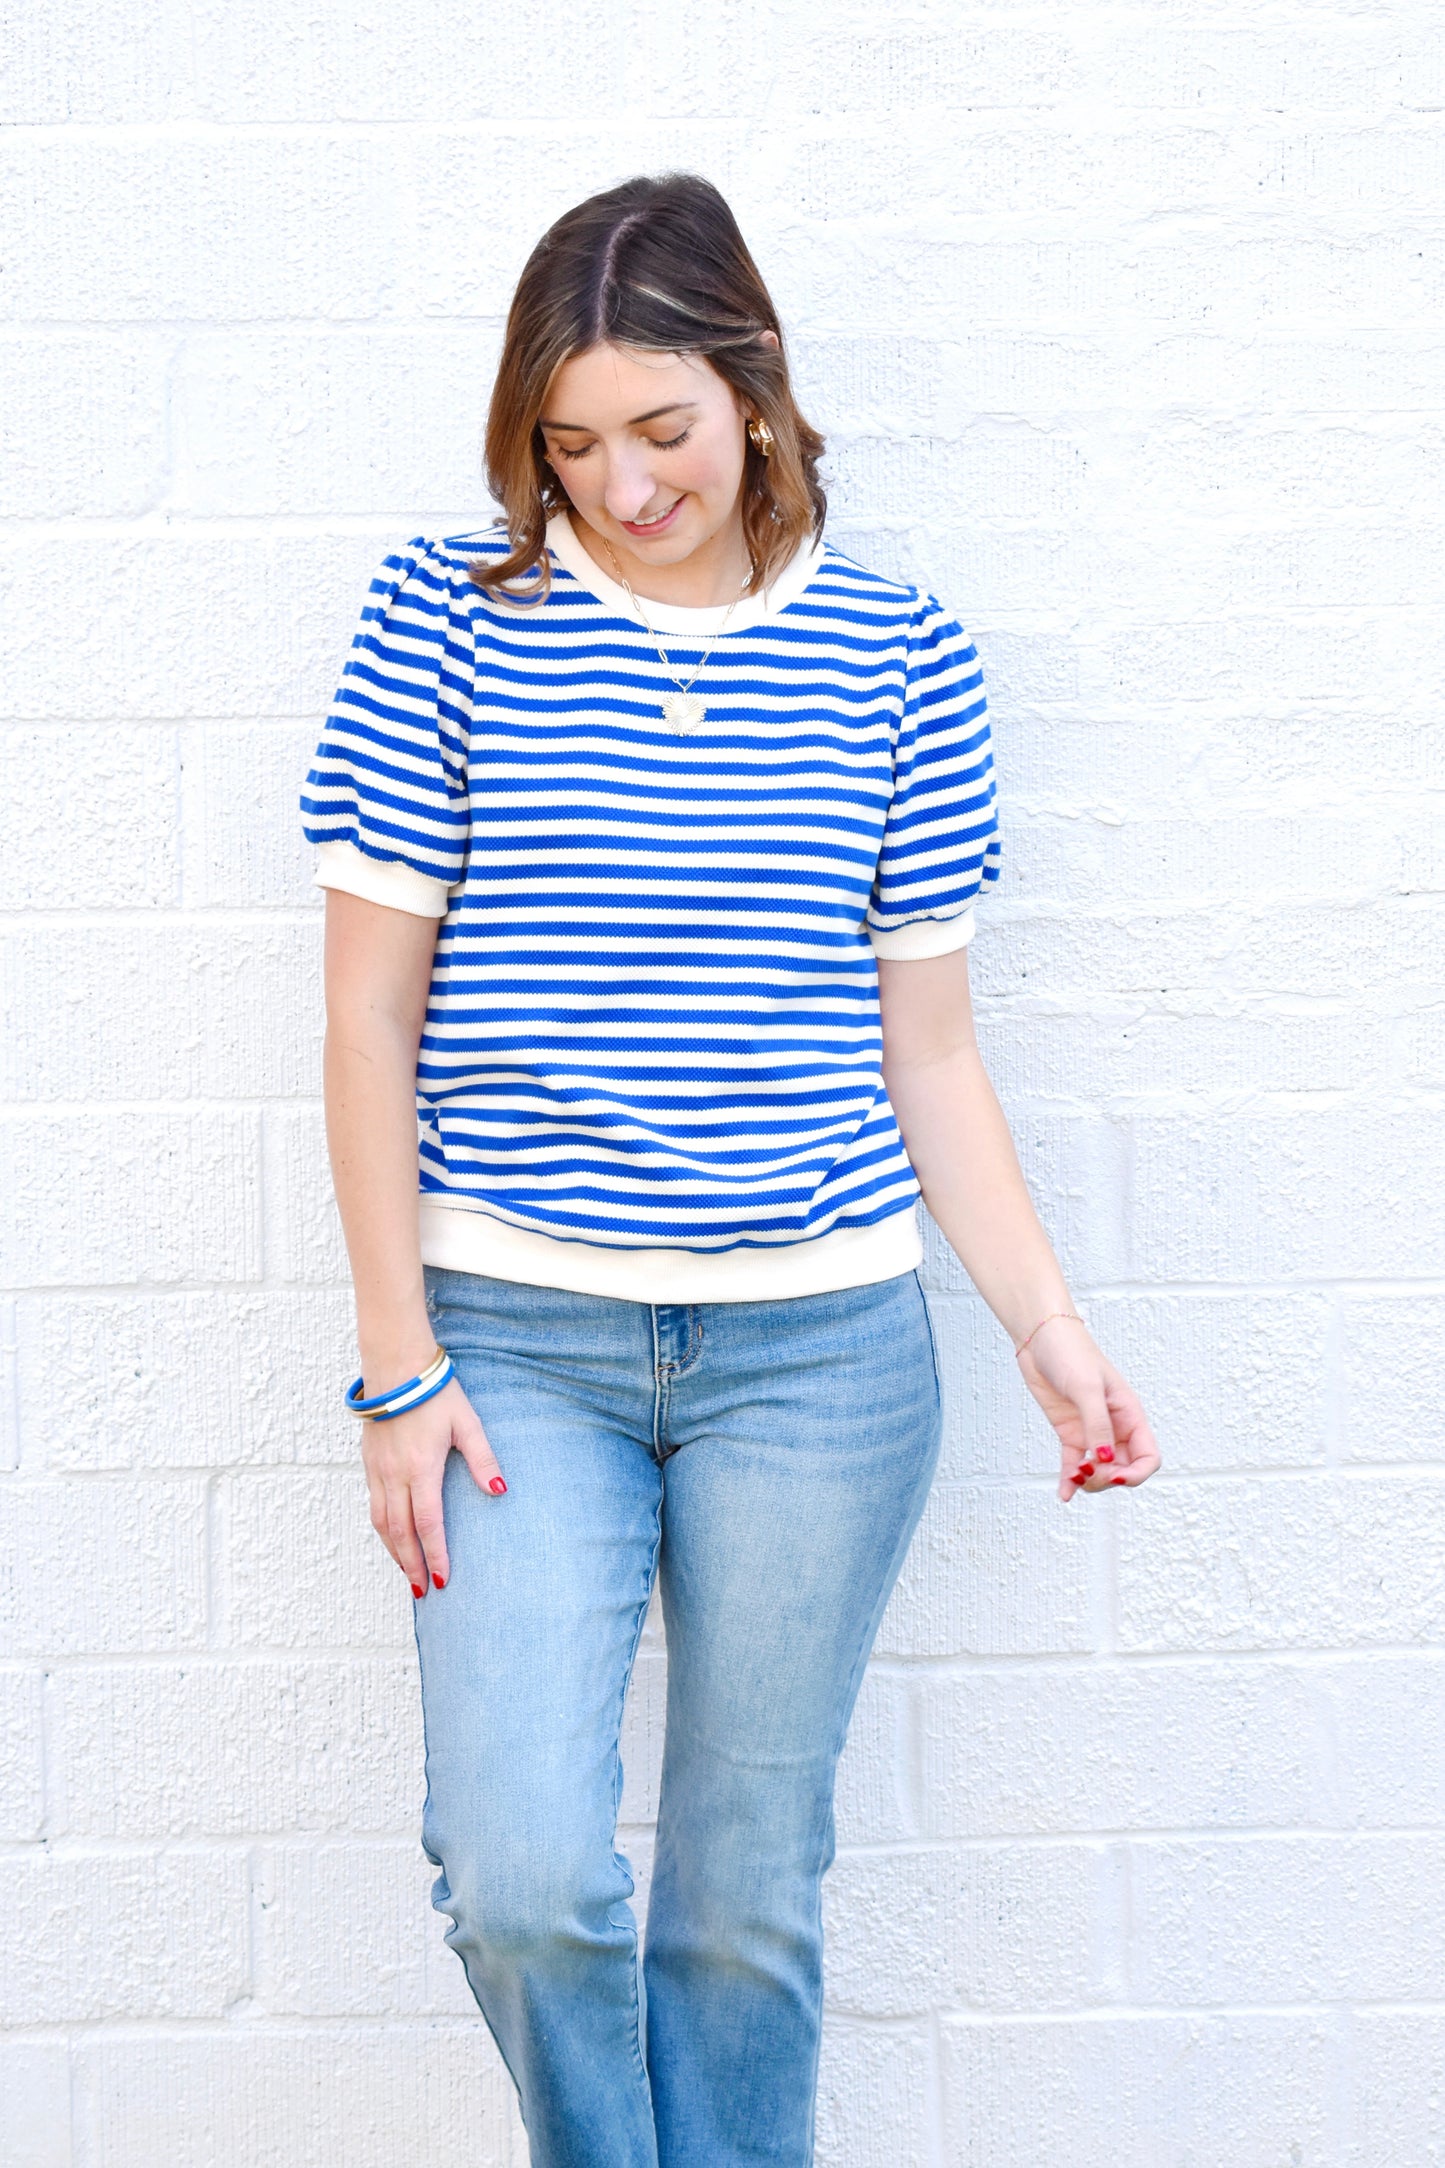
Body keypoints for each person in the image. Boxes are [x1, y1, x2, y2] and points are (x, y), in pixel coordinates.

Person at [301, 171, 1159, 2168]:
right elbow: (364, 1022)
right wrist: (395, 1360)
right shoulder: (446, 616)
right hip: (512, 1341)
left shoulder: (897, 650)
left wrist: (1046, 1320)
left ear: (756, 392)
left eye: (661, 431)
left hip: (821, 1358)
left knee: (745, 1901)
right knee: (523, 1871)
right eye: (570, 443)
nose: (620, 485)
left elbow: (925, 1047)